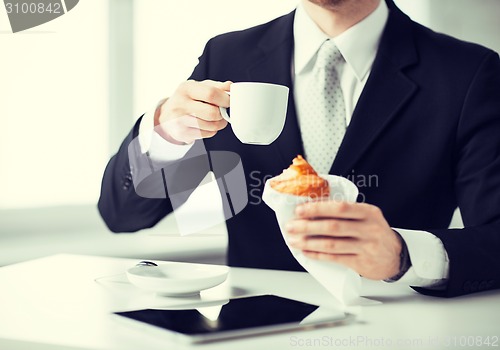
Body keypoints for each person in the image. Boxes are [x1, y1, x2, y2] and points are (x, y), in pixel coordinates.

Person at [98, 0, 500, 297]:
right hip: (252, 330)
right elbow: (123, 214)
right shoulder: (226, 57)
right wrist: (164, 133)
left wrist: (404, 254)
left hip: (402, 329)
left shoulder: (468, 73)